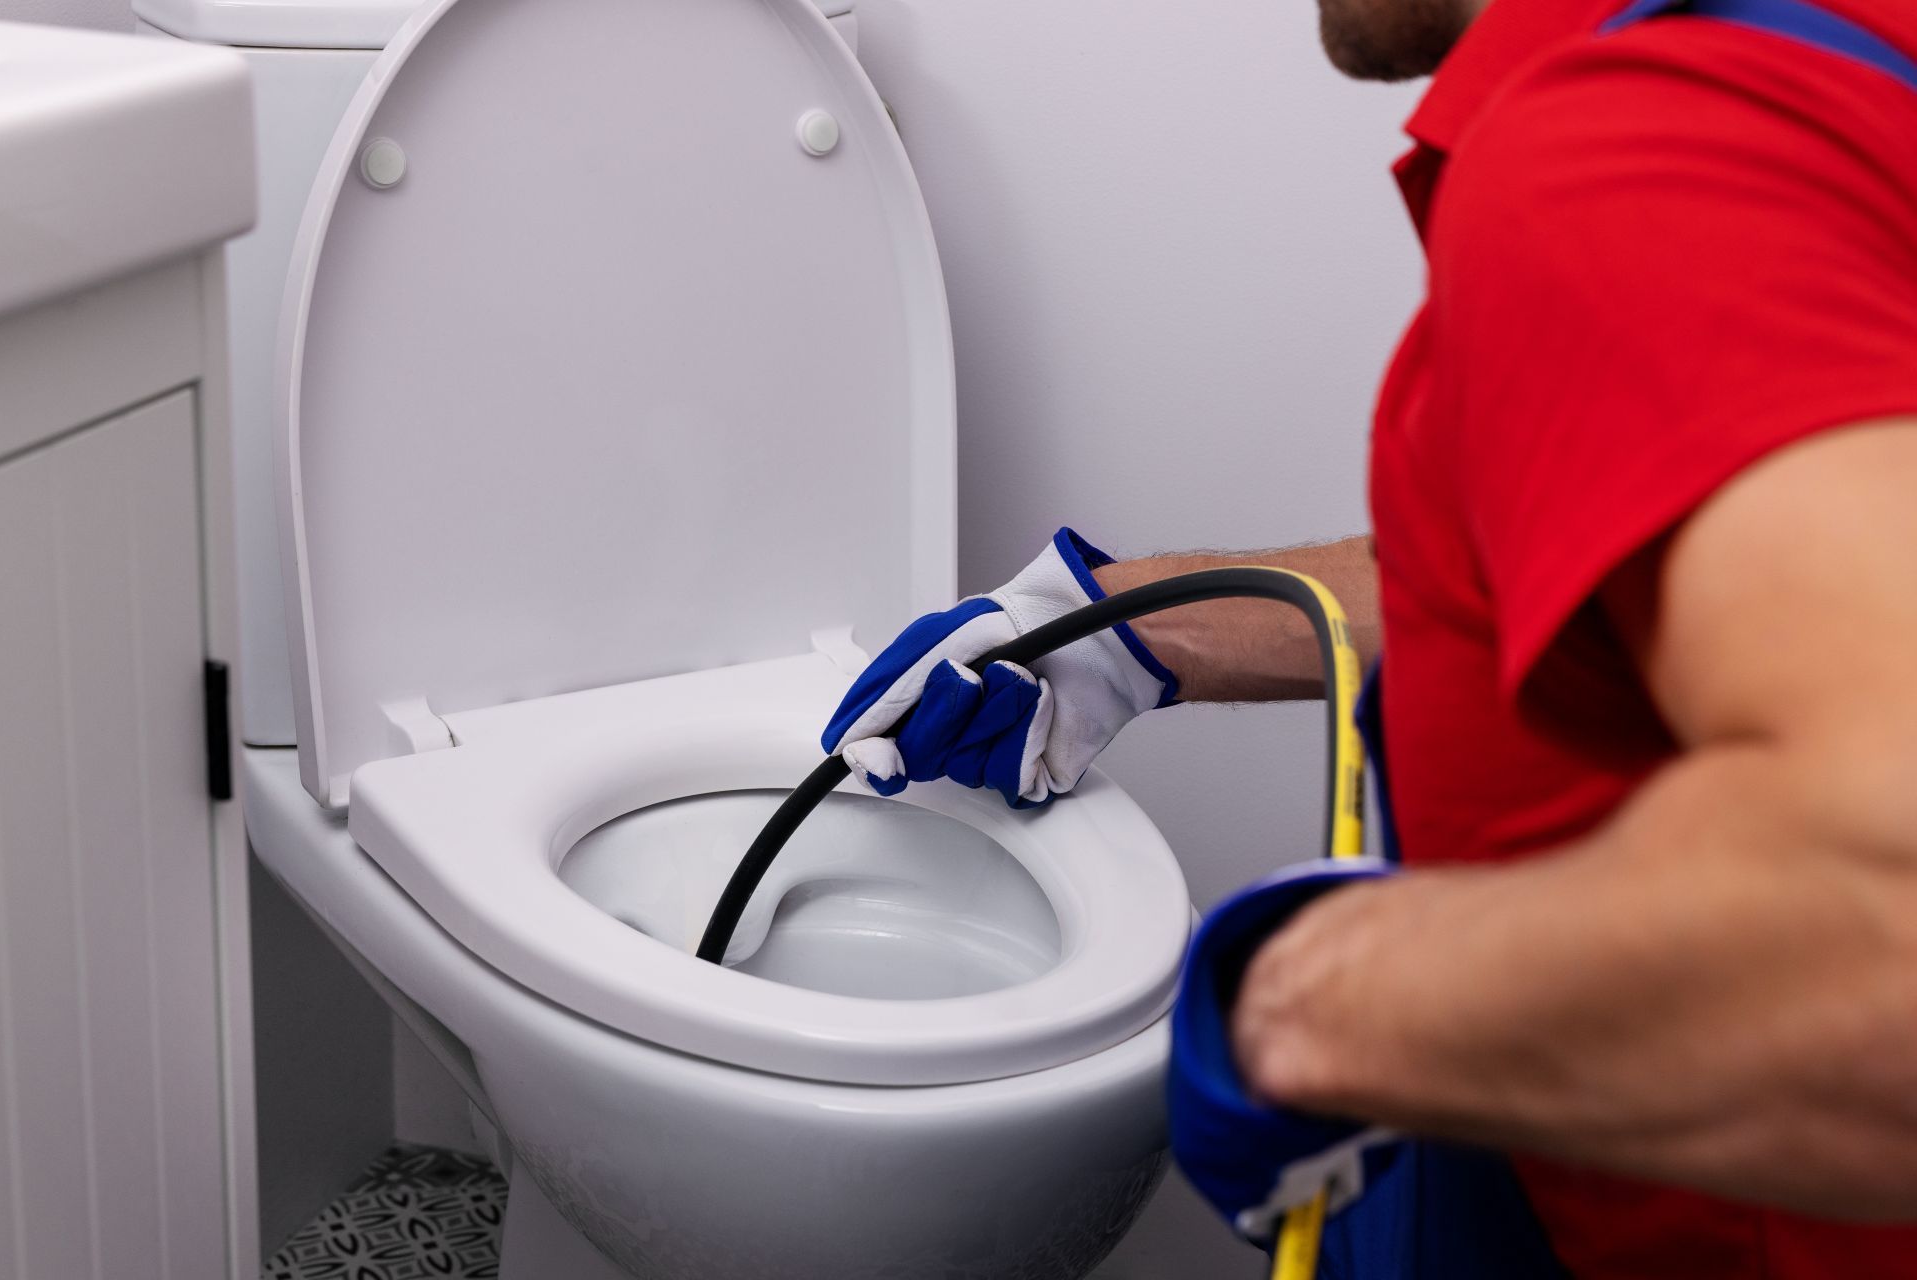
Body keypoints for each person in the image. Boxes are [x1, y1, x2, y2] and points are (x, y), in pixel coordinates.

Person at [820, 0, 1917, 1273]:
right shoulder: (1823, 70)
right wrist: (1124, 632)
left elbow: (1882, 919)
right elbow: (1609, 566)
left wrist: (1319, 1013)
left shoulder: (1637, 155)